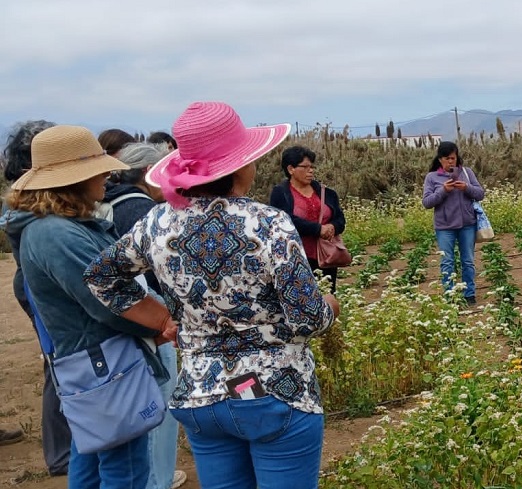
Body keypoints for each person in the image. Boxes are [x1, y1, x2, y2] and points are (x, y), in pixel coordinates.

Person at [84, 101, 340, 489]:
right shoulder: (267, 223)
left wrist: (162, 320)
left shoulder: (156, 221)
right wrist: (330, 308)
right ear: (240, 166)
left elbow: (102, 276)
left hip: (201, 395)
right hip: (277, 392)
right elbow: (308, 318)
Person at [3, 124, 177, 489]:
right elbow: (109, 300)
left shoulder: (51, 227)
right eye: (98, 169)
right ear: (73, 180)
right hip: (105, 365)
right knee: (124, 466)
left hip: (90, 362)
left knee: (93, 450)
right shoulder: (58, 233)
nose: (108, 175)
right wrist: (163, 321)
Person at [100, 142, 187, 489]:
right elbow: (156, 274)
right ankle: (158, 479)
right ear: (151, 172)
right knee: (160, 408)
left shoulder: (108, 203)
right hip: (150, 320)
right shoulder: (141, 209)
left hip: (123, 325)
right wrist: (165, 319)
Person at [0, 120, 71, 474]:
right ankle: (62, 454)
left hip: (31, 282)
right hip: (39, 286)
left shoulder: (22, 203)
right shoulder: (35, 210)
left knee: (57, 363)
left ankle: (64, 450)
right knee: (61, 364)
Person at [269, 145, 346, 293]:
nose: (310, 170)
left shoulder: (326, 192)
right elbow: (284, 221)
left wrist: (332, 227)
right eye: (305, 167)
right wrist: (318, 229)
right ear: (291, 169)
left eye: (312, 167)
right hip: (297, 258)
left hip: (326, 257)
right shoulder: (280, 193)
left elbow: (340, 219)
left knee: (327, 297)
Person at [422, 141, 485, 305]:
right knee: (447, 262)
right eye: (447, 158)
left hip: (467, 224)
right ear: (440, 159)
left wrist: (467, 188)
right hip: (445, 227)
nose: (451, 161)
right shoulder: (432, 177)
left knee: (468, 261)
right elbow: (427, 202)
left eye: (453, 158)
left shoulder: (466, 172)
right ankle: (450, 296)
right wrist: (443, 191)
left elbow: (480, 194)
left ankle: (469, 294)